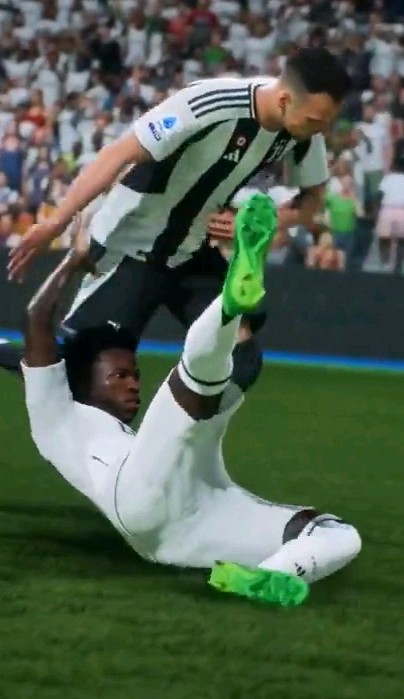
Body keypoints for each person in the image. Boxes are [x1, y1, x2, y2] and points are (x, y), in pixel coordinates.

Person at [22, 194, 361, 607]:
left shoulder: (121, 435)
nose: (133, 384)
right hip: (136, 493)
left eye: (134, 374)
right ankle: (230, 304)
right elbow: (36, 320)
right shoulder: (56, 414)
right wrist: (74, 260)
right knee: (192, 388)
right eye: (119, 376)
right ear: (83, 382)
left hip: (185, 525)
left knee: (338, 534)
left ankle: (274, 574)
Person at [7, 47, 351, 392]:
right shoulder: (211, 103)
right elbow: (119, 153)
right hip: (131, 246)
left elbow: (312, 199)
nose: (321, 129)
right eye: (315, 120)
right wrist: (56, 221)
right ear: (284, 99)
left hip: (193, 250)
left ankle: (179, 424)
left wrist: (256, 221)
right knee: (71, 374)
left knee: (241, 359)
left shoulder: (303, 129)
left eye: (327, 120)